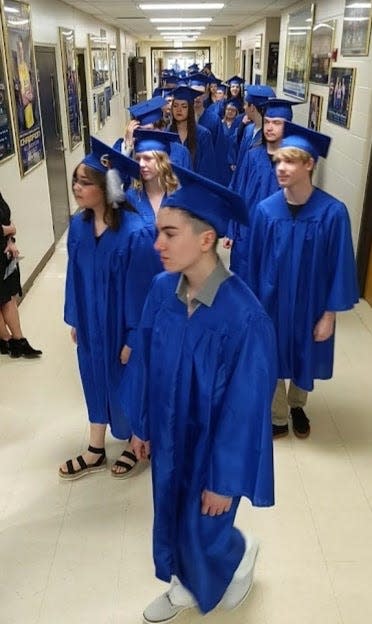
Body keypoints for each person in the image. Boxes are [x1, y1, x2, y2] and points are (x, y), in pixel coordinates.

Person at [128, 164, 277, 622]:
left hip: (211, 447)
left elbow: (245, 410)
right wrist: (141, 425)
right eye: (158, 233)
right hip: (170, 438)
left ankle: (238, 553)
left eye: (170, 234)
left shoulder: (245, 319)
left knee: (206, 521)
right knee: (171, 509)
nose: (158, 245)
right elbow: (146, 364)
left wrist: (224, 481)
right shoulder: (160, 292)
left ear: (206, 239)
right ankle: (182, 582)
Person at [246, 122, 359, 439]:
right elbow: (252, 264)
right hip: (271, 299)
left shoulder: (333, 213)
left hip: (312, 301)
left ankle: (297, 404)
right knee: (272, 352)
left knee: (304, 350)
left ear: (309, 163)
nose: (280, 167)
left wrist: (329, 314)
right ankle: (278, 412)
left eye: (290, 161)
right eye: (278, 161)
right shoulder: (265, 212)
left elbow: (340, 267)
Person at [59, 137, 162, 480]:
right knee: (93, 376)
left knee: (128, 381)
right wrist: (76, 317)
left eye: (84, 182)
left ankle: (136, 443)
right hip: (91, 322)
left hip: (122, 325)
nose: (76, 187)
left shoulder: (136, 234)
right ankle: (95, 448)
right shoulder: (78, 226)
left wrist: (133, 337)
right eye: (75, 180)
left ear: (106, 187)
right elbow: (74, 276)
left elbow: (144, 291)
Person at [227, 98, 299, 280]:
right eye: (267, 122)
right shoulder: (252, 156)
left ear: (288, 126)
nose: (269, 127)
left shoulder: (293, 161)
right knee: (244, 279)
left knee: (271, 280)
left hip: (278, 232)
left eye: (277, 123)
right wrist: (231, 229)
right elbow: (237, 191)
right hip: (248, 229)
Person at [0, 192, 42, 358]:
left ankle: (17, 340)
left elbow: (5, 217)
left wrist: (10, 240)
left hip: (3, 252)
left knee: (8, 297)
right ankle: (6, 340)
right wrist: (10, 229)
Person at [113, 95, 192, 169]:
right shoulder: (132, 151)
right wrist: (127, 148)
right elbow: (120, 178)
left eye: (149, 130)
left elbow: (189, 182)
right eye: (141, 131)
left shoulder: (180, 152)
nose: (146, 135)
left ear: (162, 128)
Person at [125, 128, 180, 232]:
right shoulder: (131, 198)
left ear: (162, 160)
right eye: (138, 159)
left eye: (147, 158)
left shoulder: (179, 196)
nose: (141, 164)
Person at [230, 84, 275, 196]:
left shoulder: (267, 137)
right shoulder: (248, 130)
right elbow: (240, 161)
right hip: (241, 183)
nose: (244, 108)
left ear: (252, 107)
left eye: (246, 104)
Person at [169, 85, 217, 181]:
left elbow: (207, 170)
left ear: (190, 109)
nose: (179, 110)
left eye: (184, 106)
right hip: (172, 189)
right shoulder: (167, 134)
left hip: (197, 189)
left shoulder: (203, 135)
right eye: (175, 106)